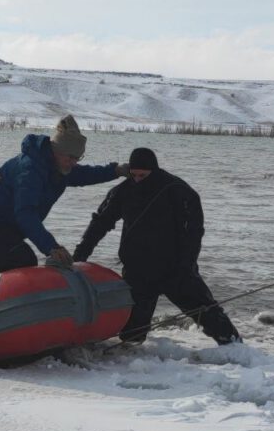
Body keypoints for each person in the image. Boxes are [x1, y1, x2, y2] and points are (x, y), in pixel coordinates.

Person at [73, 147, 240, 345]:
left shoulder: (178, 191)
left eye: (142, 175)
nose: (137, 180)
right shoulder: (123, 191)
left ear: (154, 170)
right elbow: (100, 223)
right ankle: (134, 360)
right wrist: (80, 254)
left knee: (207, 313)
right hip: (138, 271)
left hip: (176, 269)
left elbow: (194, 233)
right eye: (133, 175)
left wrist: (187, 263)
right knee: (131, 336)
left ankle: (236, 348)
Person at [0, 115, 127, 273]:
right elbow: (25, 213)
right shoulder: (30, 170)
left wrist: (116, 171)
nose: (74, 163)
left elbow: (87, 174)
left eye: (77, 158)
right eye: (71, 157)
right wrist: (51, 247)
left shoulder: (61, 167)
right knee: (22, 259)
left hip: (8, 223)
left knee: (18, 256)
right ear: (56, 150)